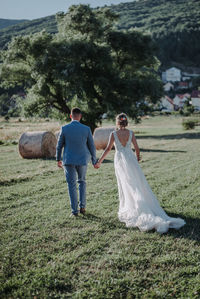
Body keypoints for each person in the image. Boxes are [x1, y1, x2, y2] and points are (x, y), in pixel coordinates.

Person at [95, 113, 186, 233]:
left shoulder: (113, 134)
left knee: (126, 184)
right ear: (126, 122)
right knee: (137, 183)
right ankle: (140, 204)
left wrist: (99, 162)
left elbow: (107, 149)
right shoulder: (131, 133)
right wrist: (137, 158)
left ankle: (132, 207)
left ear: (117, 122)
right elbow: (137, 148)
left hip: (121, 162)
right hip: (131, 160)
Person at [56, 107, 97, 217]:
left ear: (70, 116)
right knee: (82, 182)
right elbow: (92, 146)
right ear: (80, 116)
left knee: (71, 185)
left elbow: (59, 146)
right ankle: (82, 207)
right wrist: (94, 160)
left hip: (68, 160)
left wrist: (58, 159)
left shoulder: (64, 128)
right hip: (83, 160)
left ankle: (74, 211)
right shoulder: (86, 129)